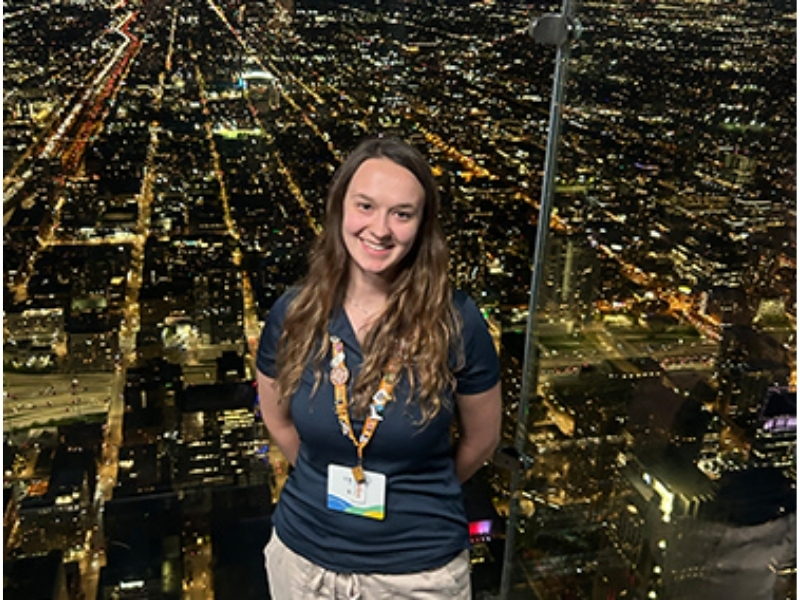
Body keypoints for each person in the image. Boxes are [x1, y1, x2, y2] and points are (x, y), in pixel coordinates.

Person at [256, 136, 502, 599]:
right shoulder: (293, 315)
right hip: (303, 564)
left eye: (402, 214)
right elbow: (278, 420)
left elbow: (482, 439)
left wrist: (415, 489)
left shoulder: (457, 321)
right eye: (365, 206)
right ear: (339, 209)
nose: (380, 229)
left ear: (422, 226)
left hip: (417, 575)